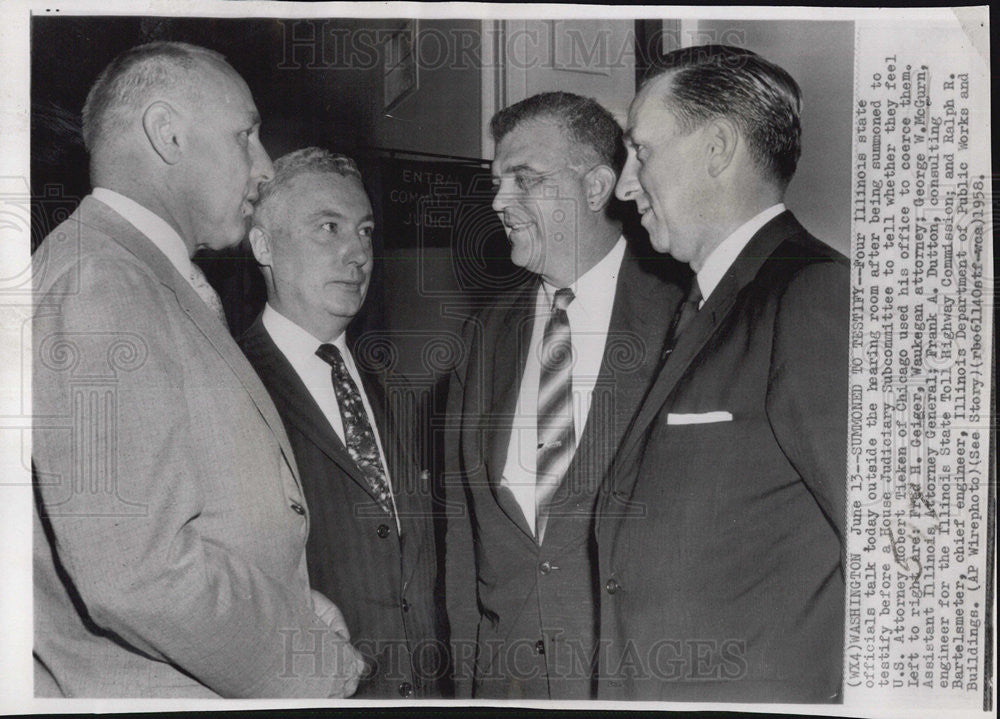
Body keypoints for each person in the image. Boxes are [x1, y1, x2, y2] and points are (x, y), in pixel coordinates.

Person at [32, 41, 365, 698]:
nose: (265, 167)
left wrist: (288, 607)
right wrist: (311, 661)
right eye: (245, 135)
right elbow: (135, 571)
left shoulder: (139, 275)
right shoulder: (102, 281)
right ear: (168, 133)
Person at [597, 44, 849, 702]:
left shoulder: (813, 292)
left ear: (716, 148)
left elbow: (902, 558)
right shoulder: (705, 306)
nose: (625, 185)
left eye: (641, 151)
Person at [444, 92, 685, 699]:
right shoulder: (483, 336)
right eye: (497, 182)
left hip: (637, 680)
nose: (499, 201)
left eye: (524, 179)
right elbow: (462, 537)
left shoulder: (686, 316)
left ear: (596, 185)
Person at [238, 148, 446, 698]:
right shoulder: (229, 384)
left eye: (366, 231)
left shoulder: (395, 385)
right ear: (264, 246)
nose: (357, 253)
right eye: (327, 228)